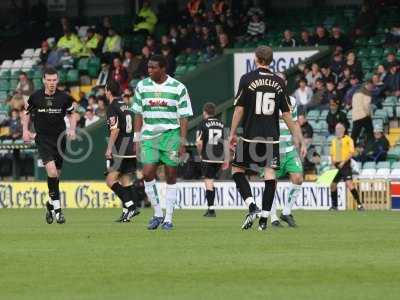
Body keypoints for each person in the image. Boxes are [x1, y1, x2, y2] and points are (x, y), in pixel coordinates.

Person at [229, 46, 304, 231]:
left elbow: (239, 109)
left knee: (237, 170)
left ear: (256, 58)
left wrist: (231, 133)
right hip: (271, 138)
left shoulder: (247, 79)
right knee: (270, 175)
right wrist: (296, 135)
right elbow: (286, 114)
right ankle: (263, 220)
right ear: (270, 61)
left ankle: (252, 206)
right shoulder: (280, 82)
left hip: (250, 136)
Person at [132, 55, 193, 230]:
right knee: (147, 173)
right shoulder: (142, 86)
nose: (149, 70)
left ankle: (169, 218)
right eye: (148, 67)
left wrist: (182, 141)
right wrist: (136, 138)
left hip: (171, 135)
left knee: (171, 175)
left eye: (153, 68)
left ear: (163, 68)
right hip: (150, 136)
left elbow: (184, 116)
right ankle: (158, 212)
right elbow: (137, 113)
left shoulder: (178, 87)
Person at [22, 67, 77, 224]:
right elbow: (25, 114)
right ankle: (59, 212)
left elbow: (73, 113)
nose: (52, 83)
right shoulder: (35, 97)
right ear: (43, 80)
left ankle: (50, 205)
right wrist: (25, 130)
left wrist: (72, 129)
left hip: (60, 140)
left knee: (56, 176)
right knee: (52, 172)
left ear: (57, 80)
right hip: (43, 139)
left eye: (54, 80)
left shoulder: (64, 98)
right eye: (49, 80)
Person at [269, 90, 307, 228]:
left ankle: (286, 212)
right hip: (272, 148)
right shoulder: (268, 99)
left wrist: (302, 143)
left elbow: (296, 124)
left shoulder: (292, 101)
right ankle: (273, 218)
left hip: (289, 149)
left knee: (298, 178)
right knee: (271, 183)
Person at [104, 80, 140, 222]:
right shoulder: (127, 106)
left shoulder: (112, 107)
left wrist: (109, 148)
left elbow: (115, 129)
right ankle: (127, 213)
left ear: (108, 91)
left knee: (110, 180)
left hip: (120, 149)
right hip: (130, 147)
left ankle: (131, 206)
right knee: (125, 180)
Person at [196, 102, 229, 217]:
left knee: (208, 181)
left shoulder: (202, 123)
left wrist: (200, 154)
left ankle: (211, 209)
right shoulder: (222, 124)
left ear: (205, 112)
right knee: (211, 182)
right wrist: (227, 159)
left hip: (208, 157)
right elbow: (226, 142)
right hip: (219, 158)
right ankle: (211, 207)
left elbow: (199, 143)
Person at [330, 123, 364, 211]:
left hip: (345, 165)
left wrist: (343, 162)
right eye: (337, 128)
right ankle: (334, 206)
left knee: (350, 185)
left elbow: (351, 153)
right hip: (336, 166)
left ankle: (359, 204)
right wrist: (332, 164)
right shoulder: (334, 140)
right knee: (333, 185)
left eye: (340, 128)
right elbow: (332, 154)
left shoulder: (348, 139)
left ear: (344, 129)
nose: (338, 130)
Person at [351, 81, 374, 145]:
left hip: (356, 116)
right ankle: (370, 146)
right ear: (368, 84)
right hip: (364, 115)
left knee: (354, 134)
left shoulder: (356, 92)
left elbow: (353, 104)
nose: (372, 88)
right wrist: (369, 114)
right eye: (371, 86)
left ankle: (351, 148)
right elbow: (367, 105)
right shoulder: (367, 93)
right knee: (370, 132)